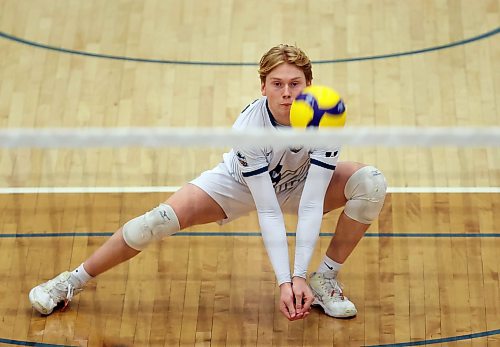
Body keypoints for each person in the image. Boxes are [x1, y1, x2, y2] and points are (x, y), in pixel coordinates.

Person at [29, 44, 387, 321]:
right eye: (277, 84)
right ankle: (69, 282)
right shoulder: (249, 129)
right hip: (239, 185)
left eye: (295, 84)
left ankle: (324, 280)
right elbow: (266, 209)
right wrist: (284, 281)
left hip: (298, 185)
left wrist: (300, 278)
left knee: (369, 183)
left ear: (310, 85)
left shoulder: (326, 116)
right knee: (153, 223)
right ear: (263, 87)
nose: (286, 93)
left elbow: (310, 205)